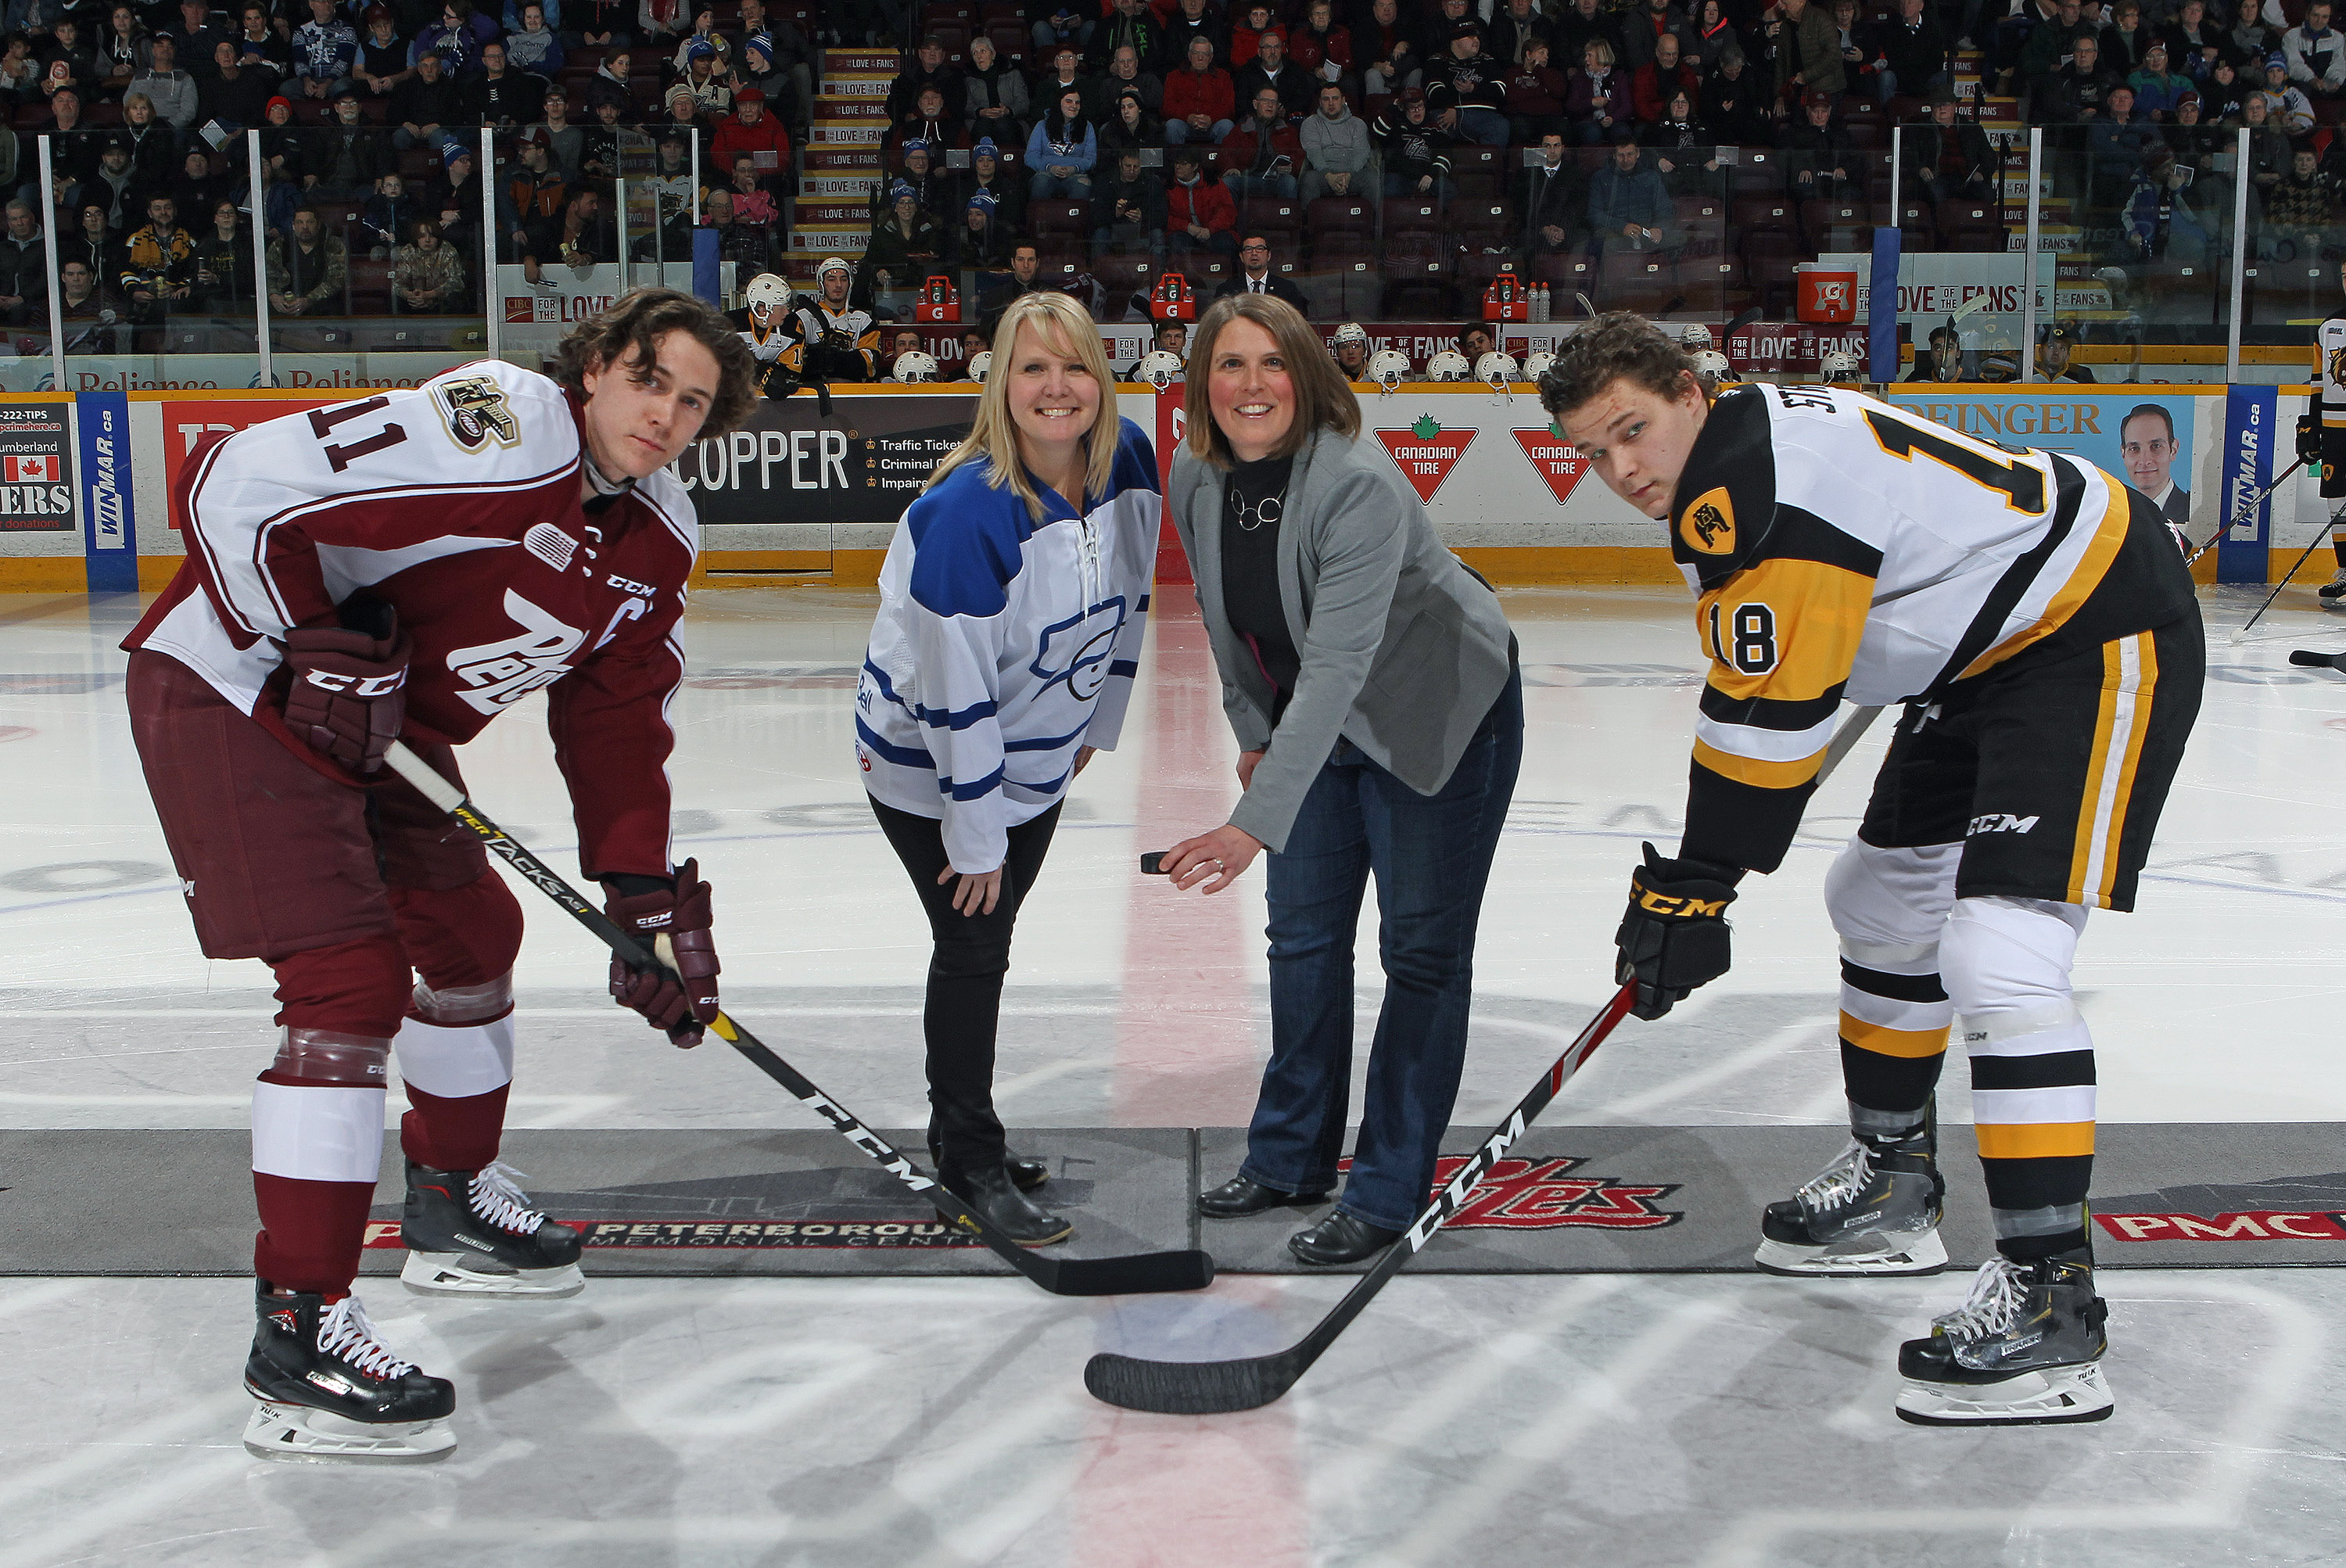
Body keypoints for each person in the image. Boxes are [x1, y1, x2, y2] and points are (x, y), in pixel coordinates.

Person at [119, 288, 759, 1463]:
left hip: (379, 724)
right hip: (237, 684)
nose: (664, 415)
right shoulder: (507, 428)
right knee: (347, 984)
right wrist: (306, 634)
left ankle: (450, 1201)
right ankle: (298, 1336)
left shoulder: (659, 536)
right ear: (596, 368)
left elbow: (618, 718)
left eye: (692, 403)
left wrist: (639, 894)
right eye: (649, 379)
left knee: (472, 939)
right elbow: (232, 479)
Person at [1537, 313, 2204, 1426]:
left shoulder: (1764, 491)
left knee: (2001, 950)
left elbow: (1769, 721)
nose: (1621, 470)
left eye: (1632, 431)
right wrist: (1700, 876)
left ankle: (2053, 1301)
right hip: (1982, 651)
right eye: (1593, 453)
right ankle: (1895, 1184)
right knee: (1880, 898)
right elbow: (1778, 687)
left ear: (1692, 393)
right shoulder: (1734, 468)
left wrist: (1696, 884)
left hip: (2091, 618)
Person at [1161, 291, 1519, 1265]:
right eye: (1230, 364)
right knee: (1304, 938)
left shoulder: (1355, 482)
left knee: (1421, 953)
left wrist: (1250, 820)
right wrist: (1252, 734)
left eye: (1273, 363)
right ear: (1202, 383)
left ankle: (1390, 1187)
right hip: (1313, 724)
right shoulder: (1195, 473)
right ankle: (1289, 1156)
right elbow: (1225, 620)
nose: (1252, 385)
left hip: (1436, 716)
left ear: (1308, 376)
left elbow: (1335, 668)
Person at [856, 289, 1160, 1245]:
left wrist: (1096, 718)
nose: (1056, 387)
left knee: (986, 941)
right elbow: (954, 697)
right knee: (975, 941)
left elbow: (1131, 599)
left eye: (1074, 366)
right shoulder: (966, 515)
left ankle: (961, 1131)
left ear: (1101, 379)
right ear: (1001, 384)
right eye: (1033, 368)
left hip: (1036, 752)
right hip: (927, 763)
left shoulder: (1130, 459)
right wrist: (976, 831)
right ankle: (969, 1161)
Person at [782, 253, 878, 380]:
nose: (838, 285)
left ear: (850, 284)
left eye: (843, 279)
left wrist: (829, 359)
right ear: (821, 285)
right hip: (813, 389)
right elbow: (792, 362)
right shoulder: (802, 317)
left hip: (851, 389)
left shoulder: (863, 319)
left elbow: (870, 364)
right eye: (831, 279)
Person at [2119, 402, 2186, 527]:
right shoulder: (2116, 514)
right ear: (2123, 453)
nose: (2144, 461)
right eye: (2134, 448)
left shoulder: (2193, 510)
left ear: (2173, 450)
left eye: (2156, 446)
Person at [1025, 86, 1096, 199]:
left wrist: (1075, 168)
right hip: (1046, 173)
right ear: (1059, 103)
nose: (1074, 106)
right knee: (1041, 182)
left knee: (1082, 186)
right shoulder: (1042, 125)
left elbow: (1091, 158)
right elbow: (1030, 157)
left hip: (1076, 175)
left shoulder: (1087, 126)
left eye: (1077, 103)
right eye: (1069, 101)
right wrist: (1050, 168)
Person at [1214, 230, 1305, 306]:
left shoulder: (1287, 289)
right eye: (1248, 249)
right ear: (1241, 257)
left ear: (1269, 255)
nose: (1254, 253)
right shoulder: (1227, 290)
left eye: (1260, 248)